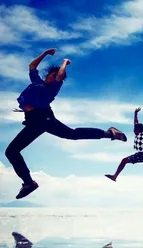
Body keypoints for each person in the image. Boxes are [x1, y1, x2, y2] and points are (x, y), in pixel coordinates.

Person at [5, 48, 127, 200]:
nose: (55, 77)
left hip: (42, 120)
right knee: (71, 134)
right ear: (48, 75)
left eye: (57, 77)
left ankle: (29, 183)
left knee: (12, 151)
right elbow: (32, 67)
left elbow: (60, 75)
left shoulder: (52, 89)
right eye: (53, 75)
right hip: (35, 122)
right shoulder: (37, 82)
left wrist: (64, 62)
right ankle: (110, 133)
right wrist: (44, 54)